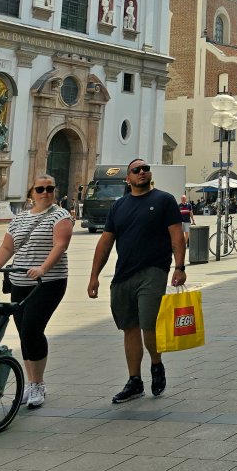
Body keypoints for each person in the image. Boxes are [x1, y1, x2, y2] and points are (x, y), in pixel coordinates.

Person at [87, 158, 186, 404]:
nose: (142, 172)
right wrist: (94, 276)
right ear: (128, 178)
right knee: (129, 327)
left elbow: (177, 236)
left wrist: (180, 267)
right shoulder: (118, 206)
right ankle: (135, 381)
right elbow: (106, 242)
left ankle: (156, 363)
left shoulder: (164, 200)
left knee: (148, 324)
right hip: (123, 275)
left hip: (153, 271)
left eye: (145, 169)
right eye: (136, 170)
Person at [0, 174, 71, 409]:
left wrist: (43, 268)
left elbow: (60, 245)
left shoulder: (60, 215)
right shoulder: (20, 218)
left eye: (50, 189)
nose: (45, 193)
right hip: (19, 281)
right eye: (40, 189)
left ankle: (38, 384)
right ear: (31, 193)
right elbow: (7, 246)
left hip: (48, 282)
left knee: (33, 327)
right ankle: (30, 382)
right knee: (24, 332)